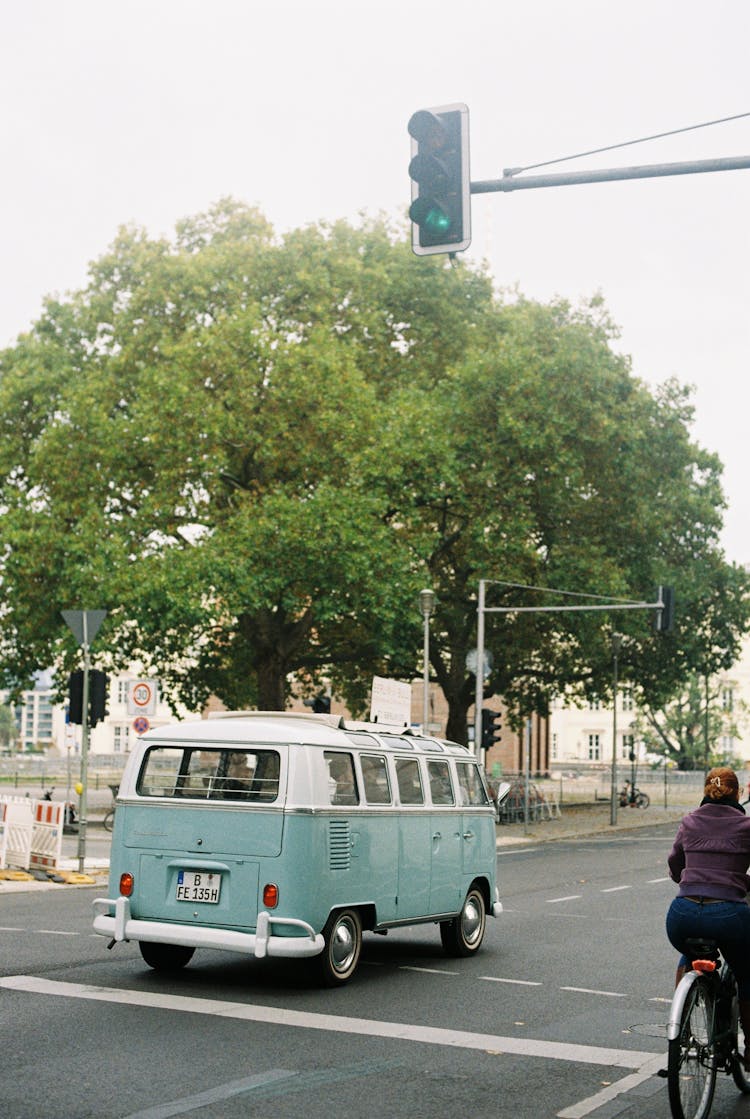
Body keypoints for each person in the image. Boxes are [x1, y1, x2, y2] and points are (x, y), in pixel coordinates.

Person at [666, 766, 750, 1066]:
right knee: (746, 971)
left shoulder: (689, 821)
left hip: (682, 914)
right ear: (738, 793)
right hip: (728, 915)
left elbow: (675, 862)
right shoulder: (746, 825)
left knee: (689, 953)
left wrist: (687, 880)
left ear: (705, 791)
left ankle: (682, 1028)